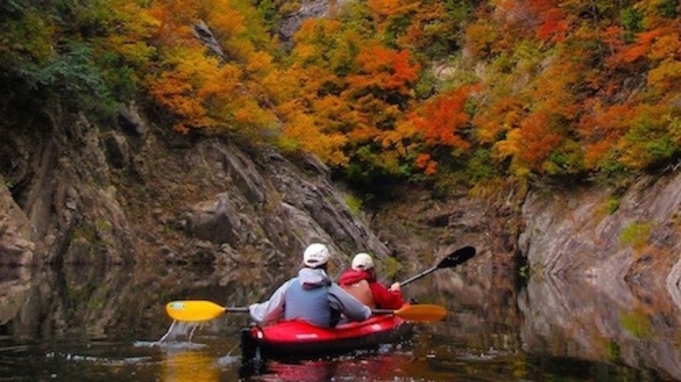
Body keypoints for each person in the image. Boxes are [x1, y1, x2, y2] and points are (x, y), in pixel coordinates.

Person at [248, 243, 372, 328]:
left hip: (293, 334)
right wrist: (368, 311)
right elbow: (360, 314)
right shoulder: (330, 290)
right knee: (341, 319)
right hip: (319, 336)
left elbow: (266, 313)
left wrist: (253, 308)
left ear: (304, 262)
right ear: (327, 265)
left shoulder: (289, 285)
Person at [338, 253, 404, 310]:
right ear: (371, 269)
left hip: (346, 321)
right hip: (369, 319)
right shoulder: (373, 287)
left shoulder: (342, 285)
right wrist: (395, 291)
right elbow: (396, 304)